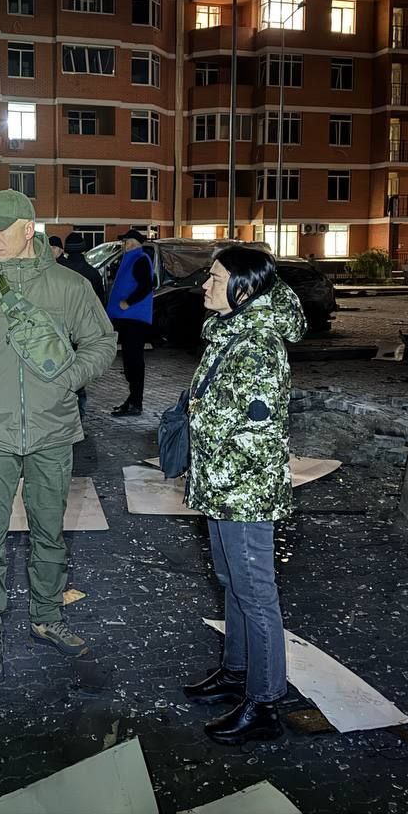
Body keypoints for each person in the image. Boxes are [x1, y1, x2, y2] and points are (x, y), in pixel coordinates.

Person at [0, 190, 116, 686]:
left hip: (52, 431)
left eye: (1, 228)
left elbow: (102, 341)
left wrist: (70, 377)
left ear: (28, 229)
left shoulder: (70, 286)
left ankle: (46, 616)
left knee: (49, 533)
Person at [181, 245, 307, 747]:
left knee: (256, 595)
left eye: (215, 278)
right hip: (224, 484)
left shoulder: (256, 344)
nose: (205, 285)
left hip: (245, 491)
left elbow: (239, 421)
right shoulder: (232, 330)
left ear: (244, 287)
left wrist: (191, 419)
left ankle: (265, 702)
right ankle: (237, 672)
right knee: (231, 582)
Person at [58, 232, 106, 418]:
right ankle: (79, 408)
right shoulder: (92, 273)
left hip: (62, 329)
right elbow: (99, 303)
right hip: (84, 329)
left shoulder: (60, 271)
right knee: (79, 367)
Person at [107, 229, 155, 417]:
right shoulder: (133, 259)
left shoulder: (140, 259)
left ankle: (135, 402)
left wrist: (128, 302)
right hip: (129, 319)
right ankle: (133, 400)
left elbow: (146, 286)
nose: (124, 245)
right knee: (129, 360)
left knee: (133, 361)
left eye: (126, 242)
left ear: (134, 243)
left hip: (134, 319)